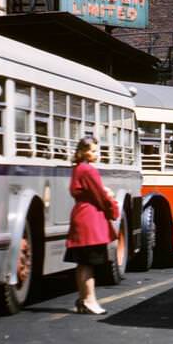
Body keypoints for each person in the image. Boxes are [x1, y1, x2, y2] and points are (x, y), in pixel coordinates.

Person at [66, 135, 119, 316]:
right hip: (91, 221)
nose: (95, 154)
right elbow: (100, 196)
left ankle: (83, 299)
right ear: (83, 152)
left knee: (82, 263)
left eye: (96, 150)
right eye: (92, 151)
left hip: (79, 217)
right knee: (89, 264)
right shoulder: (89, 171)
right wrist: (112, 206)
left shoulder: (77, 169)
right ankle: (90, 300)